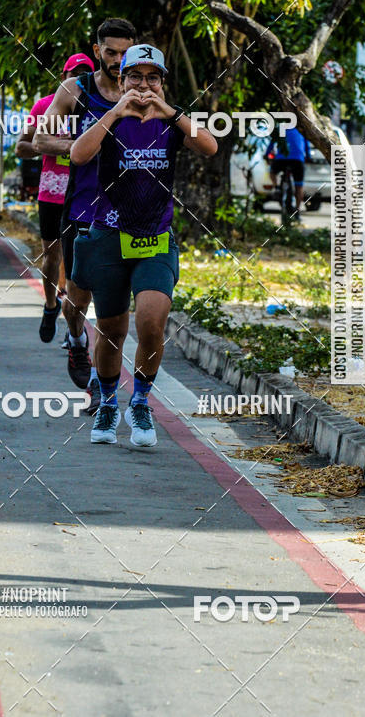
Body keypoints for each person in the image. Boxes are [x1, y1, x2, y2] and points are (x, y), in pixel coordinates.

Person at [70, 43, 217, 447]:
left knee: (151, 321)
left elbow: (209, 146)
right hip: (109, 239)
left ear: (163, 83)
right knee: (111, 331)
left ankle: (140, 401)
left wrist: (170, 112)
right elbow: (78, 155)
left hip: (155, 240)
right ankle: (106, 404)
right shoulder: (109, 118)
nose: (144, 85)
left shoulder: (172, 123)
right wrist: (116, 112)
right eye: (135, 76)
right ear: (122, 80)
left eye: (153, 77)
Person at [32, 18, 137, 401]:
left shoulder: (144, 91)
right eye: (110, 52)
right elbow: (41, 139)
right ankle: (76, 338)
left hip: (127, 214)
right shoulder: (76, 90)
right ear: (97, 51)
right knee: (77, 302)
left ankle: (102, 386)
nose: (118, 60)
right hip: (80, 211)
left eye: (125, 52)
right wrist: (84, 145)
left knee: (113, 309)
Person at [16, 53, 94, 344]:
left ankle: (73, 324)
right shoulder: (45, 106)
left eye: (85, 74)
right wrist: (58, 147)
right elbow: (22, 146)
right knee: (52, 254)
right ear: (63, 77)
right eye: (74, 74)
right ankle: (50, 306)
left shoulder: (97, 106)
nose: (78, 79)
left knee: (80, 262)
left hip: (85, 193)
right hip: (52, 191)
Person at [265, 126, 311, 221]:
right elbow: (307, 147)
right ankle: (297, 211)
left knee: (272, 172)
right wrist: (308, 157)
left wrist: (266, 154)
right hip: (297, 160)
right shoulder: (301, 129)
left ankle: (277, 187)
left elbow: (271, 144)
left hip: (281, 159)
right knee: (299, 186)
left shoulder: (280, 129)